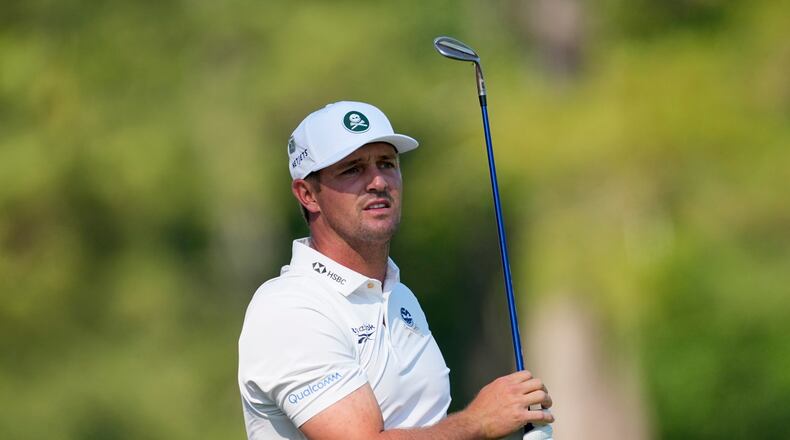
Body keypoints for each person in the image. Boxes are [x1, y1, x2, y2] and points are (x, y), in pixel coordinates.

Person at [238, 101, 554, 439]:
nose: (378, 181)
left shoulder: (398, 295)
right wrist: (479, 422)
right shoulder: (289, 308)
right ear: (307, 195)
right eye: (352, 169)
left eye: (387, 164)